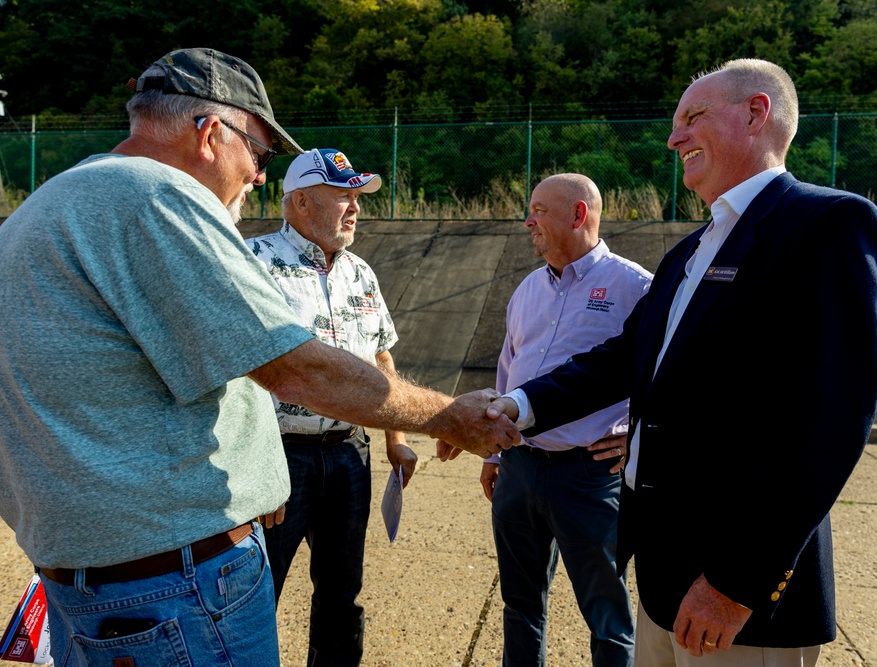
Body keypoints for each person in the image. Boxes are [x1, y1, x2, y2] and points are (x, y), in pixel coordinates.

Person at [0, 48, 517, 667]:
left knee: (338, 593)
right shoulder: (158, 199)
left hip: (100, 577)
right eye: (260, 152)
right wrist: (447, 416)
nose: (259, 176)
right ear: (211, 133)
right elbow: (297, 368)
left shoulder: (50, 206)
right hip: (176, 588)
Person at [477, 59, 877, 666]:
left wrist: (736, 583)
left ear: (757, 113)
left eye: (692, 117)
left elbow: (827, 426)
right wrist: (515, 405)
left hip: (736, 604)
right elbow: (622, 361)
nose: (673, 138)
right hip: (664, 582)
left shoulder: (827, 225)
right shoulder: (688, 253)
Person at [246, 148, 417, 666]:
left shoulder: (360, 272)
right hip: (280, 458)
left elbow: (382, 354)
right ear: (299, 203)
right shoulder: (255, 263)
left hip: (349, 455)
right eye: (342, 195)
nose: (355, 207)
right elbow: (240, 374)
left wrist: (397, 440)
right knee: (256, 595)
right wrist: (257, 466)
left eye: (357, 196)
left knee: (342, 593)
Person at [481, 173, 650, 666]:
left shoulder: (636, 287)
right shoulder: (527, 289)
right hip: (519, 469)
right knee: (520, 604)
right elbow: (508, 371)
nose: (528, 220)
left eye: (539, 210)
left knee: (607, 614)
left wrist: (635, 437)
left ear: (578, 215)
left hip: (589, 477)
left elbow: (662, 376)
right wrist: (495, 451)